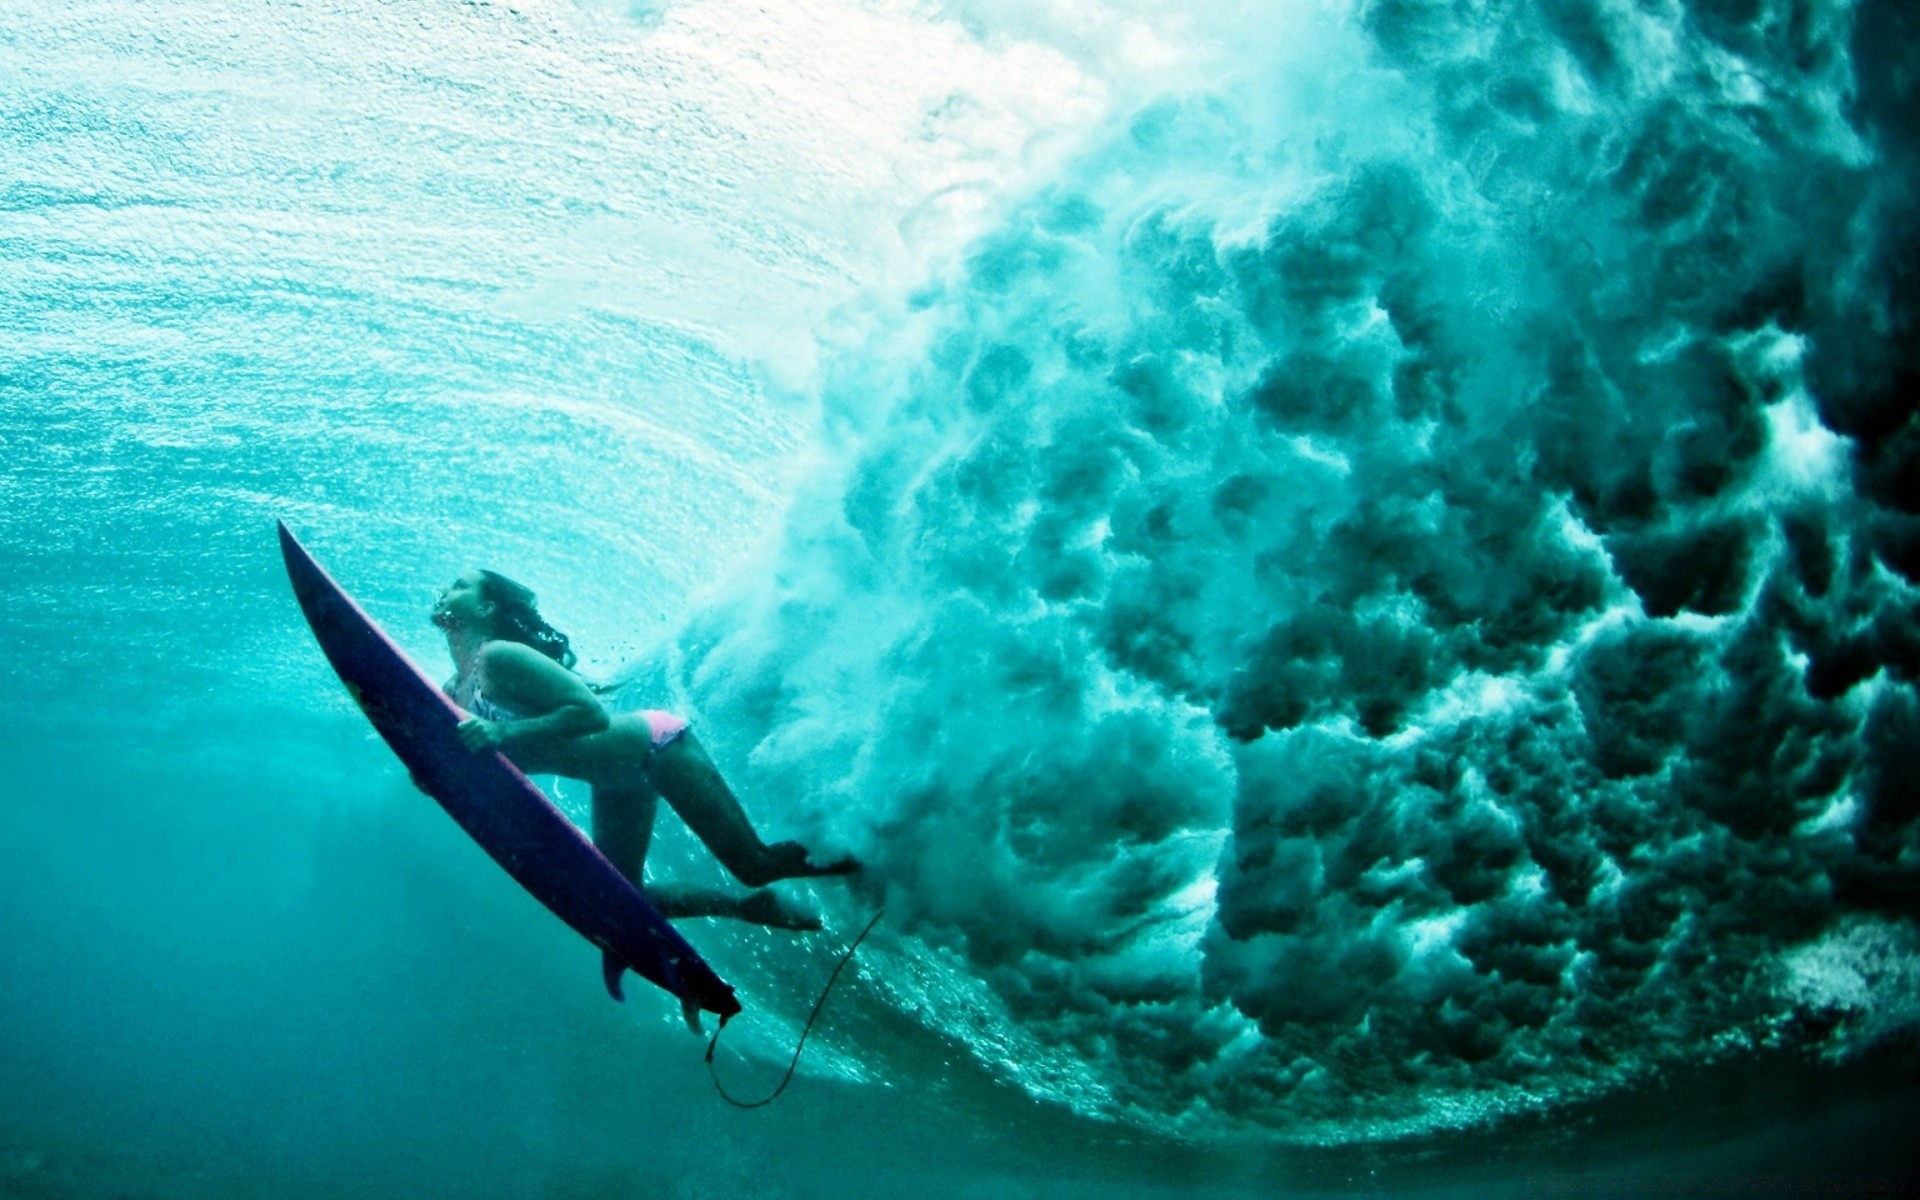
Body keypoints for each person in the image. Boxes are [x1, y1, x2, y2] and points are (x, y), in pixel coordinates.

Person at [431, 568, 856, 930]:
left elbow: (589, 713)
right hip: (615, 779)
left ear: (487, 607)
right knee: (623, 898)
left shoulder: (499, 658)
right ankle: (743, 908)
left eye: (460, 586)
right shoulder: (456, 692)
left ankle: (873, 855)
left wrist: (503, 735)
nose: (447, 592)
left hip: (656, 750)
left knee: (754, 865)